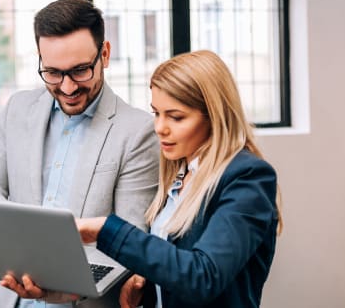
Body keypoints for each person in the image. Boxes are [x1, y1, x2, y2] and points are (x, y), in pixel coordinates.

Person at [0, 0, 160, 308]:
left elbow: (131, 238)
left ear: (105, 54)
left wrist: (57, 283)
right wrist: (16, 242)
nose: (68, 87)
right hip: (14, 298)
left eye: (81, 70)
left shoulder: (138, 131)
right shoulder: (17, 110)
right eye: (54, 73)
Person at [76, 50, 283, 308]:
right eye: (156, 113)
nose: (160, 127)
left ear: (213, 116)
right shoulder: (178, 174)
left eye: (176, 117)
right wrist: (146, 283)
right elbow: (175, 259)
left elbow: (203, 276)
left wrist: (105, 229)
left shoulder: (248, 178)